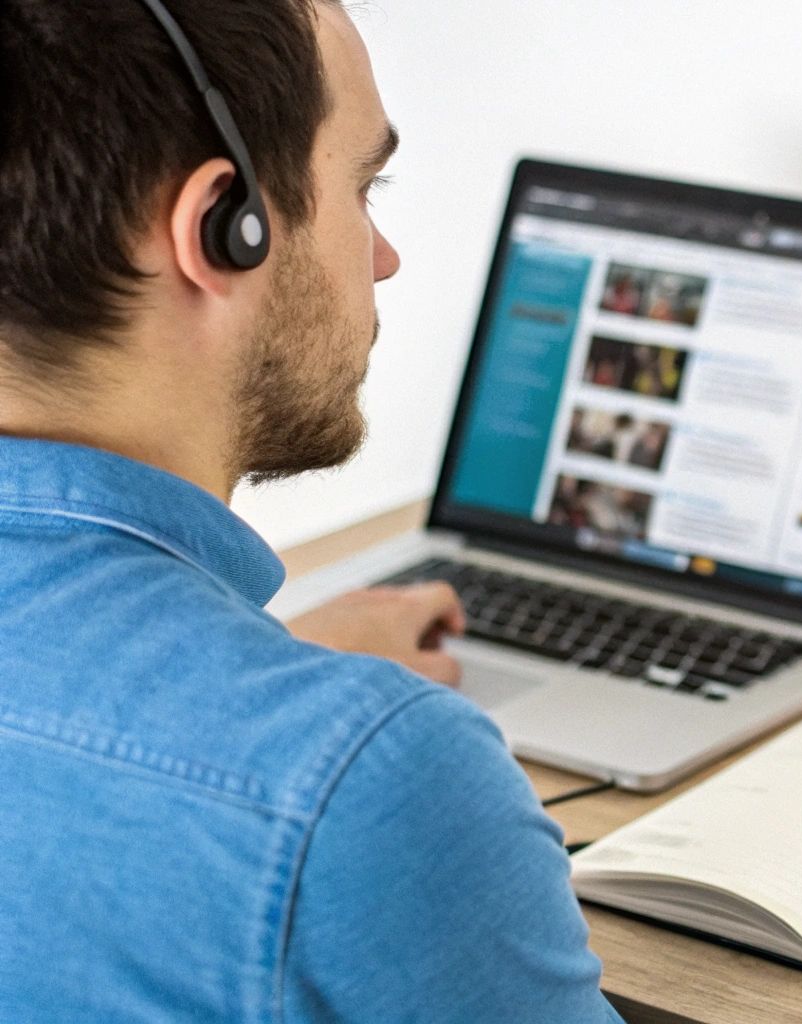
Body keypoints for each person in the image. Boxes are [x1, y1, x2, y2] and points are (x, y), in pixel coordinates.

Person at [0, 2, 624, 1020]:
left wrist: (269, 675)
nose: (382, 256)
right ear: (219, 227)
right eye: (362, 188)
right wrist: (334, 743)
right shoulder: (373, 788)